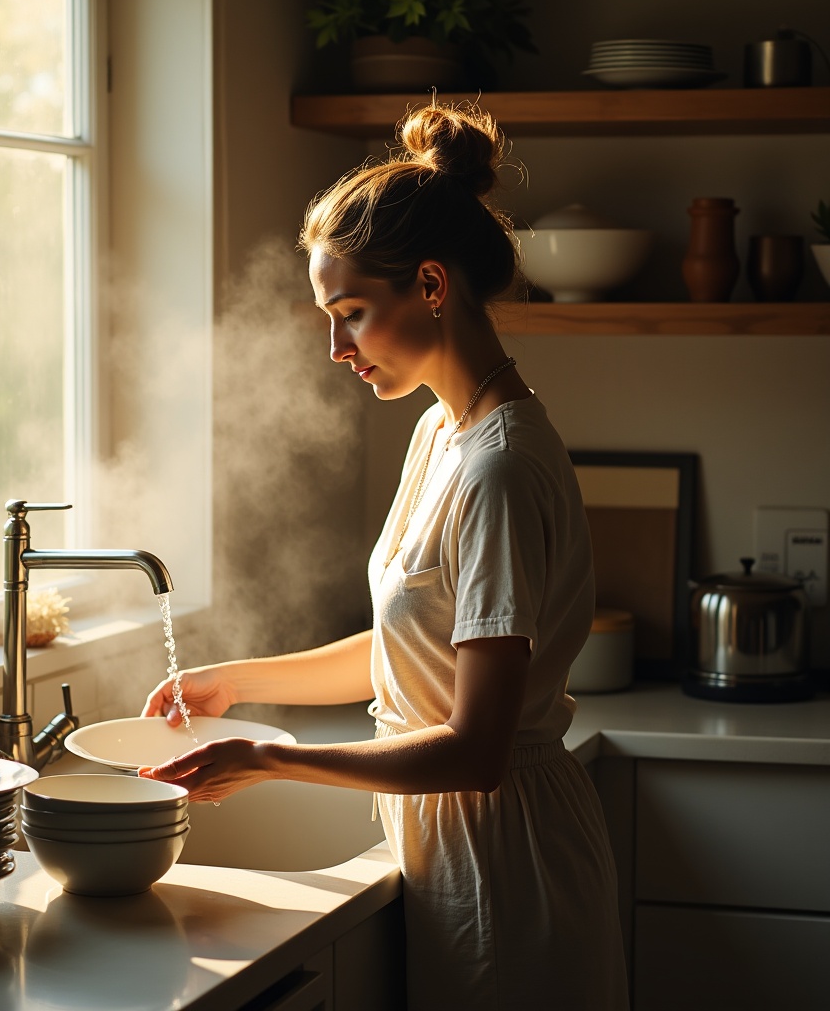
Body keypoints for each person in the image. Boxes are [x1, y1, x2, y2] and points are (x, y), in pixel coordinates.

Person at [142, 103, 629, 1010]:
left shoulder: (500, 468)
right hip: (453, 850)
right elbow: (417, 653)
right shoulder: (442, 432)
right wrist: (234, 681)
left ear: (433, 286)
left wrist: (272, 760)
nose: (335, 348)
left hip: (504, 870)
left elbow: (477, 749)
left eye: (352, 314)